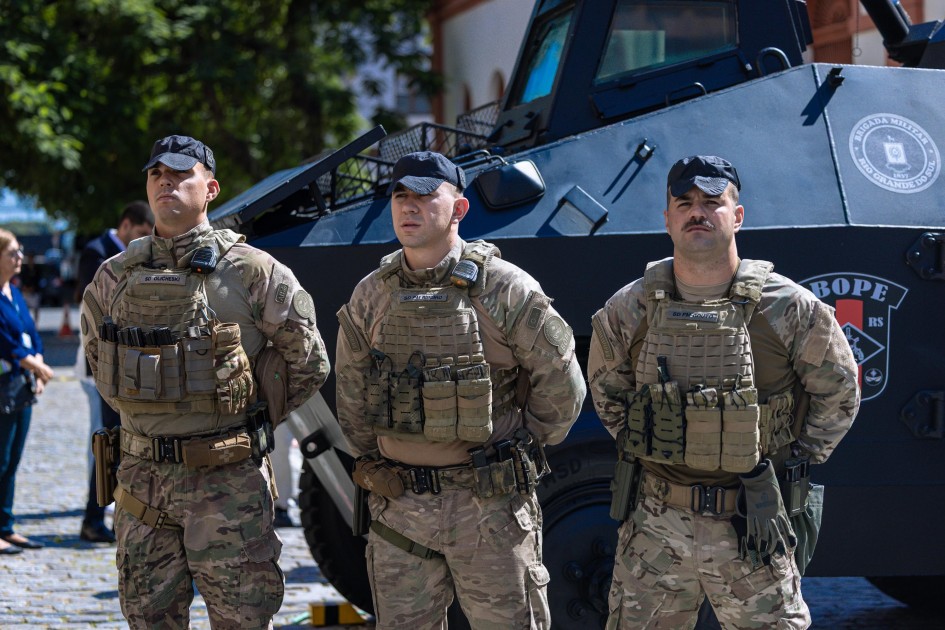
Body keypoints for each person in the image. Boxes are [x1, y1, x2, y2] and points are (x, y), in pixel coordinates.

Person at [587, 155, 861, 629]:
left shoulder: (788, 306)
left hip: (751, 522)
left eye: (712, 202)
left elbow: (838, 392)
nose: (698, 212)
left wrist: (788, 461)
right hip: (656, 526)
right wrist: (656, 447)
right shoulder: (630, 307)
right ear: (668, 217)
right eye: (685, 202)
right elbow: (608, 392)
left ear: (736, 215)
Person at [80, 134, 330, 628]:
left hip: (228, 484)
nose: (166, 182)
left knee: (242, 619)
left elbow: (309, 361)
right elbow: (99, 359)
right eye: (156, 174)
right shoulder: (114, 276)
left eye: (180, 173)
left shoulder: (254, 271)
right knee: (148, 620)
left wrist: (246, 418)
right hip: (141, 485)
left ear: (211, 188)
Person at [335, 150, 586, 627]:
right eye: (400, 195)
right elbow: (352, 393)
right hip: (399, 507)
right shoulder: (372, 293)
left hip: (488, 507)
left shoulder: (504, 288)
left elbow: (562, 385)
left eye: (426, 196)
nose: (409, 207)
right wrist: (382, 457)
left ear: (459, 209)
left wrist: (517, 448)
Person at [77, 201, 154, 543]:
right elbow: (99, 307)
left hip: (128, 364)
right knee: (107, 441)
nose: (142, 241)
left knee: (123, 441)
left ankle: (113, 512)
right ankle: (95, 517)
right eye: (138, 233)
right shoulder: (97, 254)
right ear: (125, 226)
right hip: (102, 365)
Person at [0, 229, 55, 555]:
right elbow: (5, 342)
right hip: (3, 387)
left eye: (20, 252)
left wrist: (39, 366)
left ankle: (5, 527)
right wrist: (39, 367)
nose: (20, 258)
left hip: (20, 387)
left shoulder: (14, 292)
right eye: (13, 253)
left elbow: (31, 335)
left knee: (12, 461)